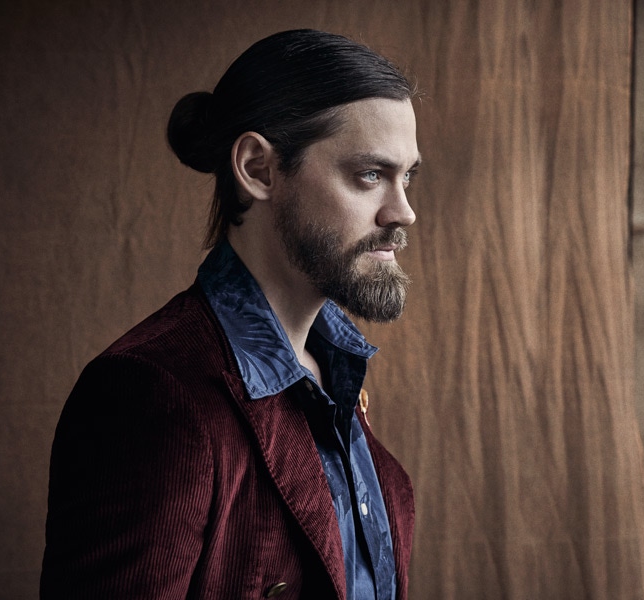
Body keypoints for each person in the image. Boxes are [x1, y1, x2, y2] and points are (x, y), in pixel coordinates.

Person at [41, 29, 421, 600]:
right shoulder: (153, 393)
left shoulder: (336, 373)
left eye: (408, 176)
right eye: (370, 175)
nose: (404, 211)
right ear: (258, 169)